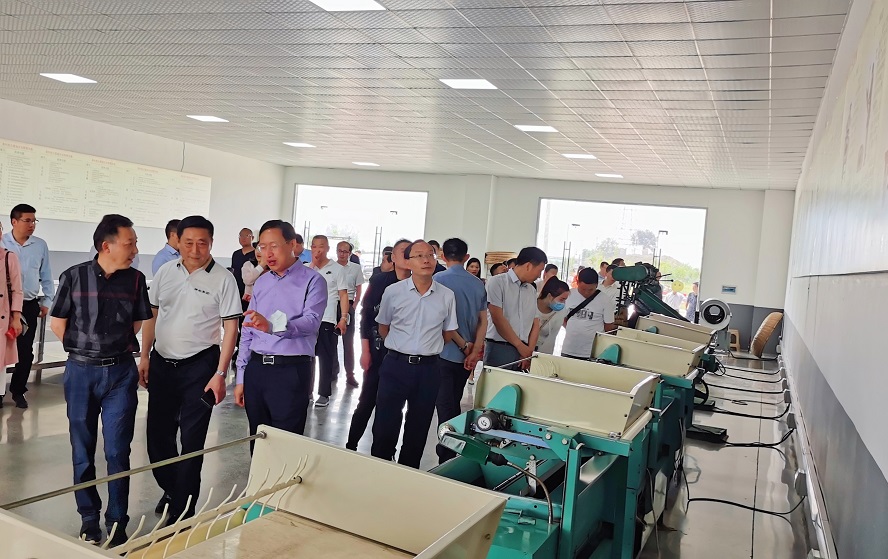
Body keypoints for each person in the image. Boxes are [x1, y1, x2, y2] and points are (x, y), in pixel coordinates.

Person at [49, 214, 152, 546]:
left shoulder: (135, 280)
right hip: (80, 373)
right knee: (82, 448)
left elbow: (137, 324)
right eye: (130, 243)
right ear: (106, 246)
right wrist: (86, 349)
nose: (135, 250)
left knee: (118, 451)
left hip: (120, 373)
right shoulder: (74, 276)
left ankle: (118, 520)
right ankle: (89, 519)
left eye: (135, 243)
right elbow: (58, 323)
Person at [139, 216, 242, 524]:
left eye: (202, 243)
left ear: (211, 243)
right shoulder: (165, 272)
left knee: (192, 439)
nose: (195, 250)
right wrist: (144, 356)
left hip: (201, 366)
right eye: (188, 243)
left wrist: (221, 373)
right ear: (177, 241)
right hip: (162, 363)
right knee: (158, 437)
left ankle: (183, 507)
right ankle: (172, 488)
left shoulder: (224, 279)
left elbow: (231, 328)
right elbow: (151, 316)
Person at [235, 220, 328, 440]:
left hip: (290, 371)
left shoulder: (313, 281)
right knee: (258, 440)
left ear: (292, 244)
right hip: (257, 370)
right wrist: (241, 377)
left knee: (286, 442)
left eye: (274, 246)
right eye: (263, 247)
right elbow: (248, 330)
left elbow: (311, 322)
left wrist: (272, 326)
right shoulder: (261, 282)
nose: (267, 253)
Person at [371, 240, 458, 468]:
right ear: (408, 262)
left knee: (418, 428)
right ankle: (379, 471)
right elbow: (383, 327)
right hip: (395, 365)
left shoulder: (446, 295)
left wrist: (427, 347)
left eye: (430, 255)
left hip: (429, 369)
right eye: (419, 256)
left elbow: (448, 332)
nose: (426, 260)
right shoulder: (393, 292)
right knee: (385, 425)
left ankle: (408, 474)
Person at [346, 239, 411, 451]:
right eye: (403, 251)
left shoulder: (419, 284)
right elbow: (366, 318)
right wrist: (365, 350)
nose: (408, 255)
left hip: (402, 356)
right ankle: (351, 445)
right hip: (377, 351)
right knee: (367, 400)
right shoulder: (380, 281)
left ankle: (385, 451)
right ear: (393, 257)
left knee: (393, 407)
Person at [433, 238, 487, 464]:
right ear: (466, 257)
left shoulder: (437, 280)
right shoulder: (477, 284)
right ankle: (451, 452)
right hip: (466, 358)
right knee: (453, 402)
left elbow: (443, 320)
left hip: (443, 353)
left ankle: (447, 456)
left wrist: (463, 345)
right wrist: (474, 350)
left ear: (442, 256)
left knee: (446, 407)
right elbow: (483, 321)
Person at [1, 203, 54, 409]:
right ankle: (0, 391)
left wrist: (47, 301)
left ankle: (18, 391)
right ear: (14, 222)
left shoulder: (40, 245)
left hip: (28, 305)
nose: (32, 224)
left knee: (25, 352)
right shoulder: (2, 242)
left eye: (34, 221)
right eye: (27, 220)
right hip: (3, 306)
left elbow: (46, 275)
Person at [484, 247, 547, 370]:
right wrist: (520, 346)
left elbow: (535, 323)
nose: (539, 276)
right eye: (539, 271)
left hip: (524, 351)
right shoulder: (497, 282)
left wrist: (528, 352)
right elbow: (498, 318)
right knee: (497, 382)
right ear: (528, 266)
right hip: (500, 348)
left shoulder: (531, 290)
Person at [308, 235, 349, 407]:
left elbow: (343, 295)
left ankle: (324, 394)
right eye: (314, 246)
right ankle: (307, 392)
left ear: (327, 249)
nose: (318, 250)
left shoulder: (337, 269)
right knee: (307, 356)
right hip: (308, 319)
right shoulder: (307, 268)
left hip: (327, 318)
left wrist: (343, 318)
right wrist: (312, 265)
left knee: (326, 357)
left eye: (321, 246)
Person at [561, 268, 615, 360]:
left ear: (597, 285)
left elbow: (608, 327)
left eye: (590, 290)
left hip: (592, 352)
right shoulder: (568, 295)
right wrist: (572, 329)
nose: (586, 292)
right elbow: (562, 318)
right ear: (577, 283)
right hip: (568, 349)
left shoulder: (605, 300)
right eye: (583, 289)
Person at [0, 222, 24, 409]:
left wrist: (16, 318)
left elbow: (17, 290)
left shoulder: (9, 257)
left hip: (2, 316)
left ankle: (0, 394)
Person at [335, 241, 365, 388]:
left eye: (345, 251)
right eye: (339, 251)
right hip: (332, 306)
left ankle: (350, 375)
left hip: (349, 305)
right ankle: (333, 372)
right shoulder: (331, 267)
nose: (342, 254)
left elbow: (359, 289)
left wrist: (353, 306)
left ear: (350, 253)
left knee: (348, 343)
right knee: (331, 343)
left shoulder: (355, 268)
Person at [535, 278, 570, 355]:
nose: (563, 303)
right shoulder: (531, 301)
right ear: (550, 296)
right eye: (562, 299)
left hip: (541, 351)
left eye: (565, 300)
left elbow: (551, 339)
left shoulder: (561, 312)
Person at [230, 228, 257, 312]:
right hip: (237, 290)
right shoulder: (236, 254)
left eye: (246, 236)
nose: (243, 238)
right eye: (241, 236)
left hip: (251, 291)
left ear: (252, 238)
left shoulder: (256, 254)